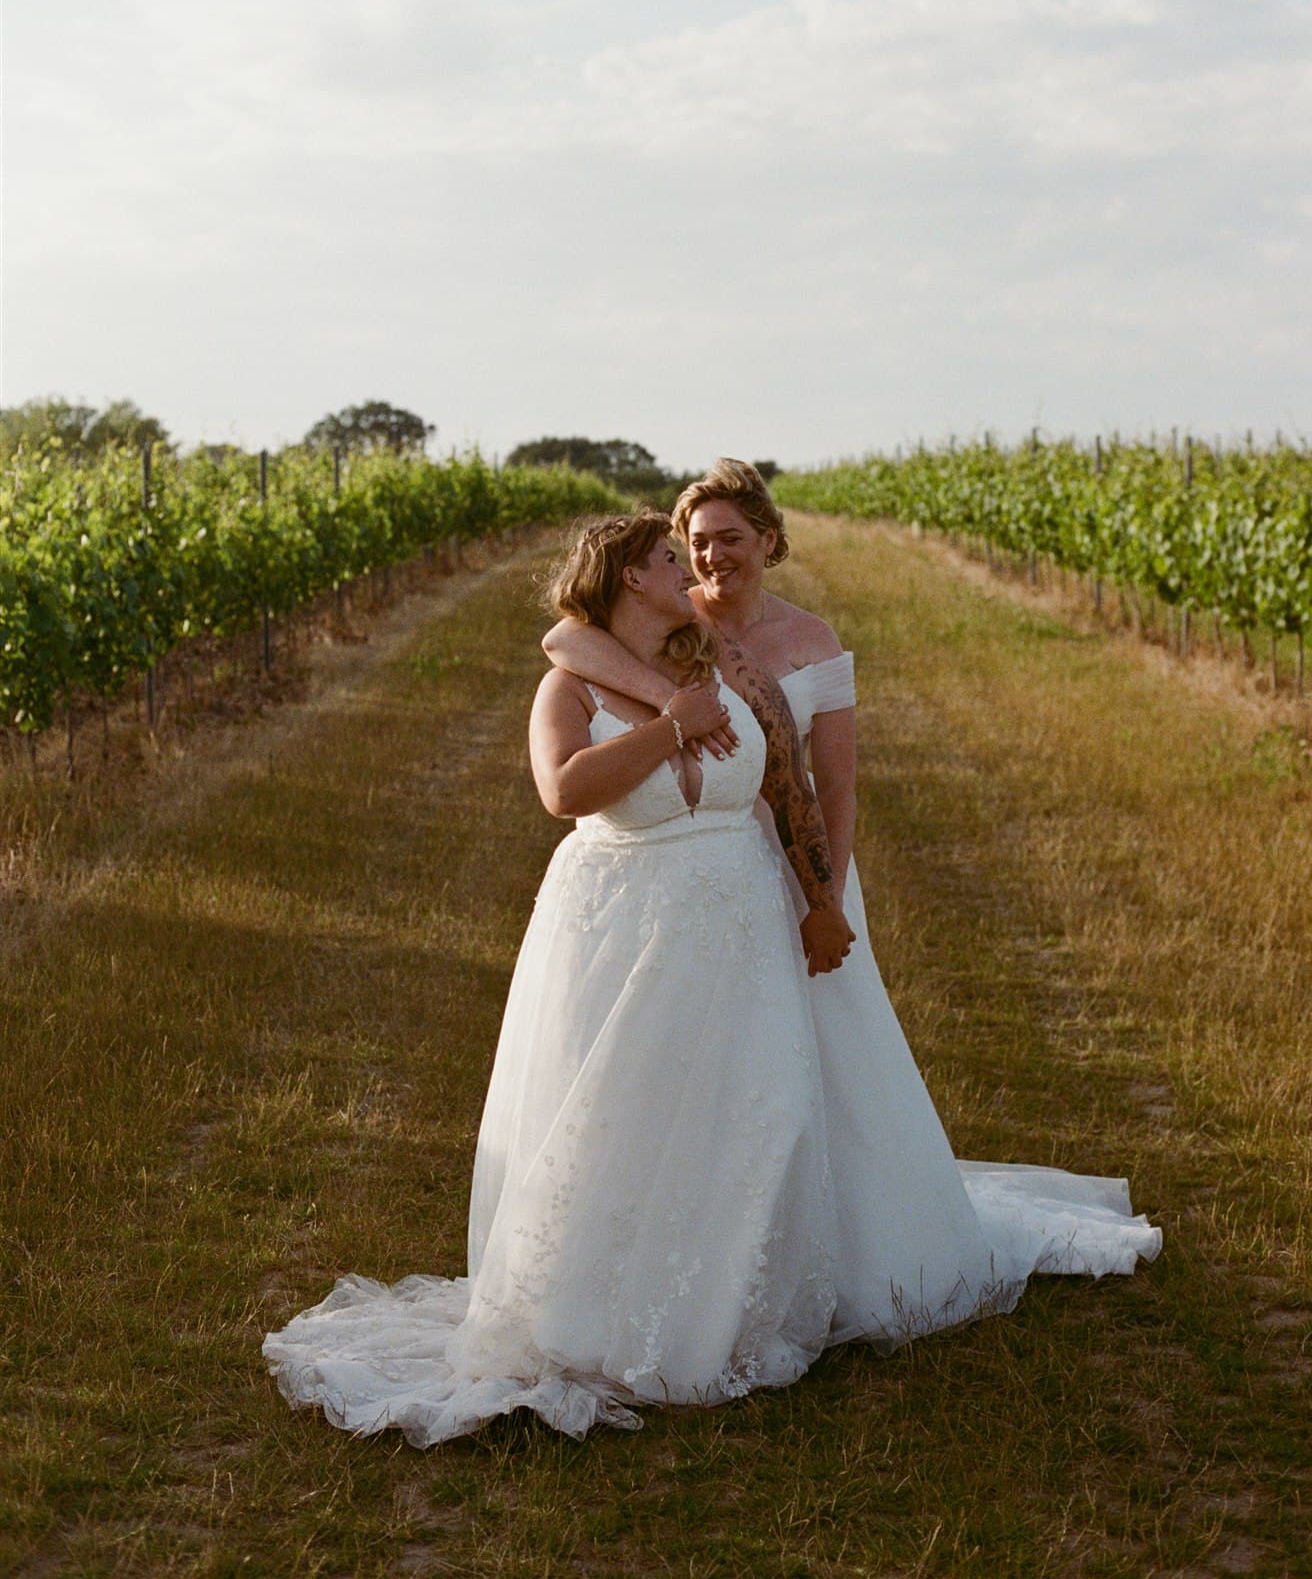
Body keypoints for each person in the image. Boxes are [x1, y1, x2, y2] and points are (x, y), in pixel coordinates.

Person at [263, 512, 855, 1443]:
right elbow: (564, 791)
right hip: (629, 928)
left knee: (758, 1111)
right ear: (628, 580)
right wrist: (670, 730)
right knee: (627, 1117)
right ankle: (607, 1318)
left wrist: (823, 897)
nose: (686, 567)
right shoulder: (569, 689)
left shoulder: (718, 666)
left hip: (739, 931)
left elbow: (789, 782)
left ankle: (724, 1315)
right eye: (668, 558)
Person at [543, 462, 1162, 1347]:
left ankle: (838, 1239)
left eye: (727, 538)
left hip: (796, 862)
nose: (708, 557)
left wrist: (823, 892)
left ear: (767, 542)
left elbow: (827, 781)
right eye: (693, 543)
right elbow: (568, 646)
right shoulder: (673, 634)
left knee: (821, 1053)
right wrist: (669, 709)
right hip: (703, 853)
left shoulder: (805, 641)